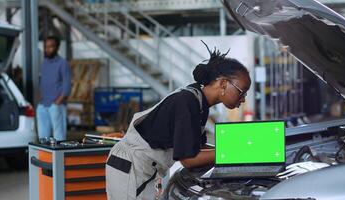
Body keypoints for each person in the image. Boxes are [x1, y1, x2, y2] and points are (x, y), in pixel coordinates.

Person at [106, 44, 251, 200]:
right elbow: (188, 159)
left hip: (145, 167)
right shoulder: (187, 101)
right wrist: (231, 153)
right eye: (242, 91)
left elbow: (197, 146)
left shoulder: (200, 103)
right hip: (131, 165)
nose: (243, 99)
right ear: (223, 84)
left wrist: (234, 148)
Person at [36, 36, 71, 141]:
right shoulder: (44, 62)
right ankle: (44, 157)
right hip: (43, 105)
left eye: (51, 47)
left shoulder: (62, 63)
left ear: (57, 47)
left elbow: (67, 84)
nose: (47, 49)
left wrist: (57, 102)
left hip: (56, 105)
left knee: (58, 137)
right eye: (46, 47)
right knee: (43, 138)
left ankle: (58, 157)